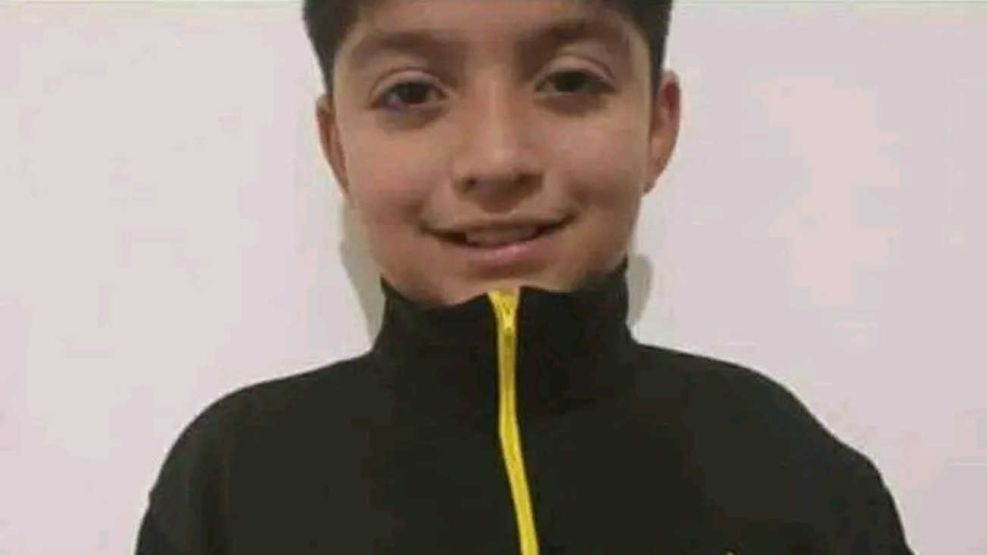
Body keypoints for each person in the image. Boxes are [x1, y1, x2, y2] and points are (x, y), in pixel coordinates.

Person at [136, 0, 914, 553]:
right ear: (338, 146)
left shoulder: (789, 469)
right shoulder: (234, 480)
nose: (496, 158)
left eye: (570, 81)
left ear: (656, 123)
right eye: (411, 92)